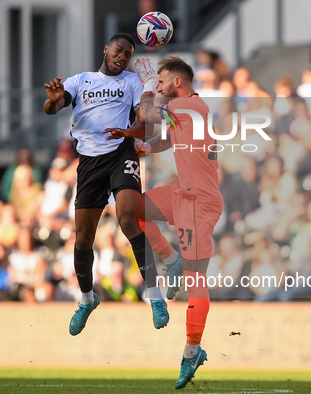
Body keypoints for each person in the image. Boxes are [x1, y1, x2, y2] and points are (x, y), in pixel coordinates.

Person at [103, 56, 224, 389]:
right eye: (155, 83)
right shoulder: (188, 111)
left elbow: (151, 114)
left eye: (162, 82)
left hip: (198, 201)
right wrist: (139, 143)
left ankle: (192, 350)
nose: (158, 87)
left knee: (196, 277)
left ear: (179, 83)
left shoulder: (190, 107)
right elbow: (169, 139)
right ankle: (168, 258)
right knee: (130, 210)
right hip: (181, 193)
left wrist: (144, 83)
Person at [43, 33, 167, 335]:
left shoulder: (133, 82)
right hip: (88, 163)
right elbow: (52, 108)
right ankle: (86, 299)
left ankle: (154, 294)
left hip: (120, 153)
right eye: (118, 49)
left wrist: (149, 105)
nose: (122, 56)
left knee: (128, 219)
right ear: (106, 49)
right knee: (83, 238)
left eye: (128, 53)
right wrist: (53, 99)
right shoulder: (80, 81)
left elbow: (148, 122)